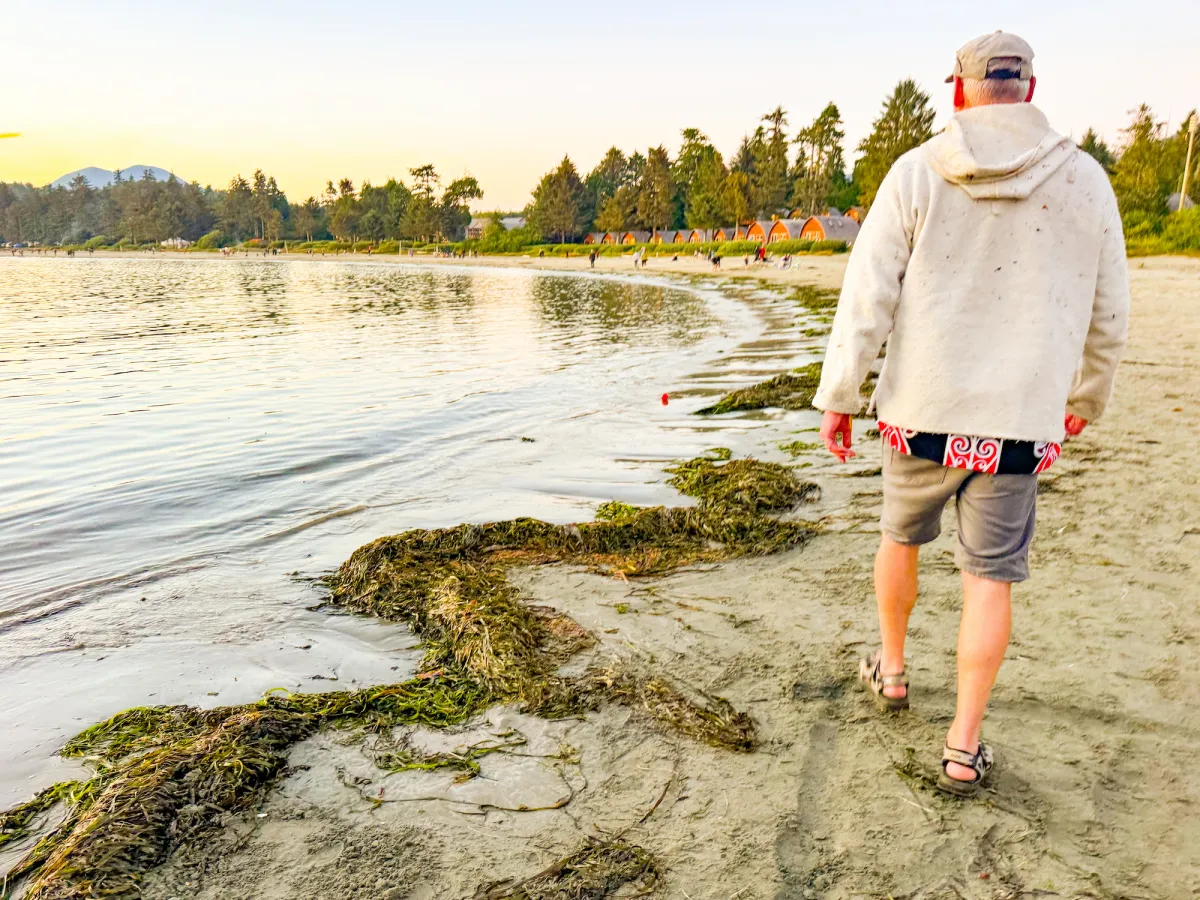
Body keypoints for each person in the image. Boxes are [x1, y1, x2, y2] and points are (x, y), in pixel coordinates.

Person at [813, 31, 1129, 798]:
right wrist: (1085, 396)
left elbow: (869, 293)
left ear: (957, 91)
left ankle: (892, 670)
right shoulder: (1084, 180)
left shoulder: (917, 170)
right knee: (990, 580)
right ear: (1028, 87)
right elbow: (1108, 307)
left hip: (921, 412)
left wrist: (841, 394)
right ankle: (962, 746)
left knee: (900, 536)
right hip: (1018, 423)